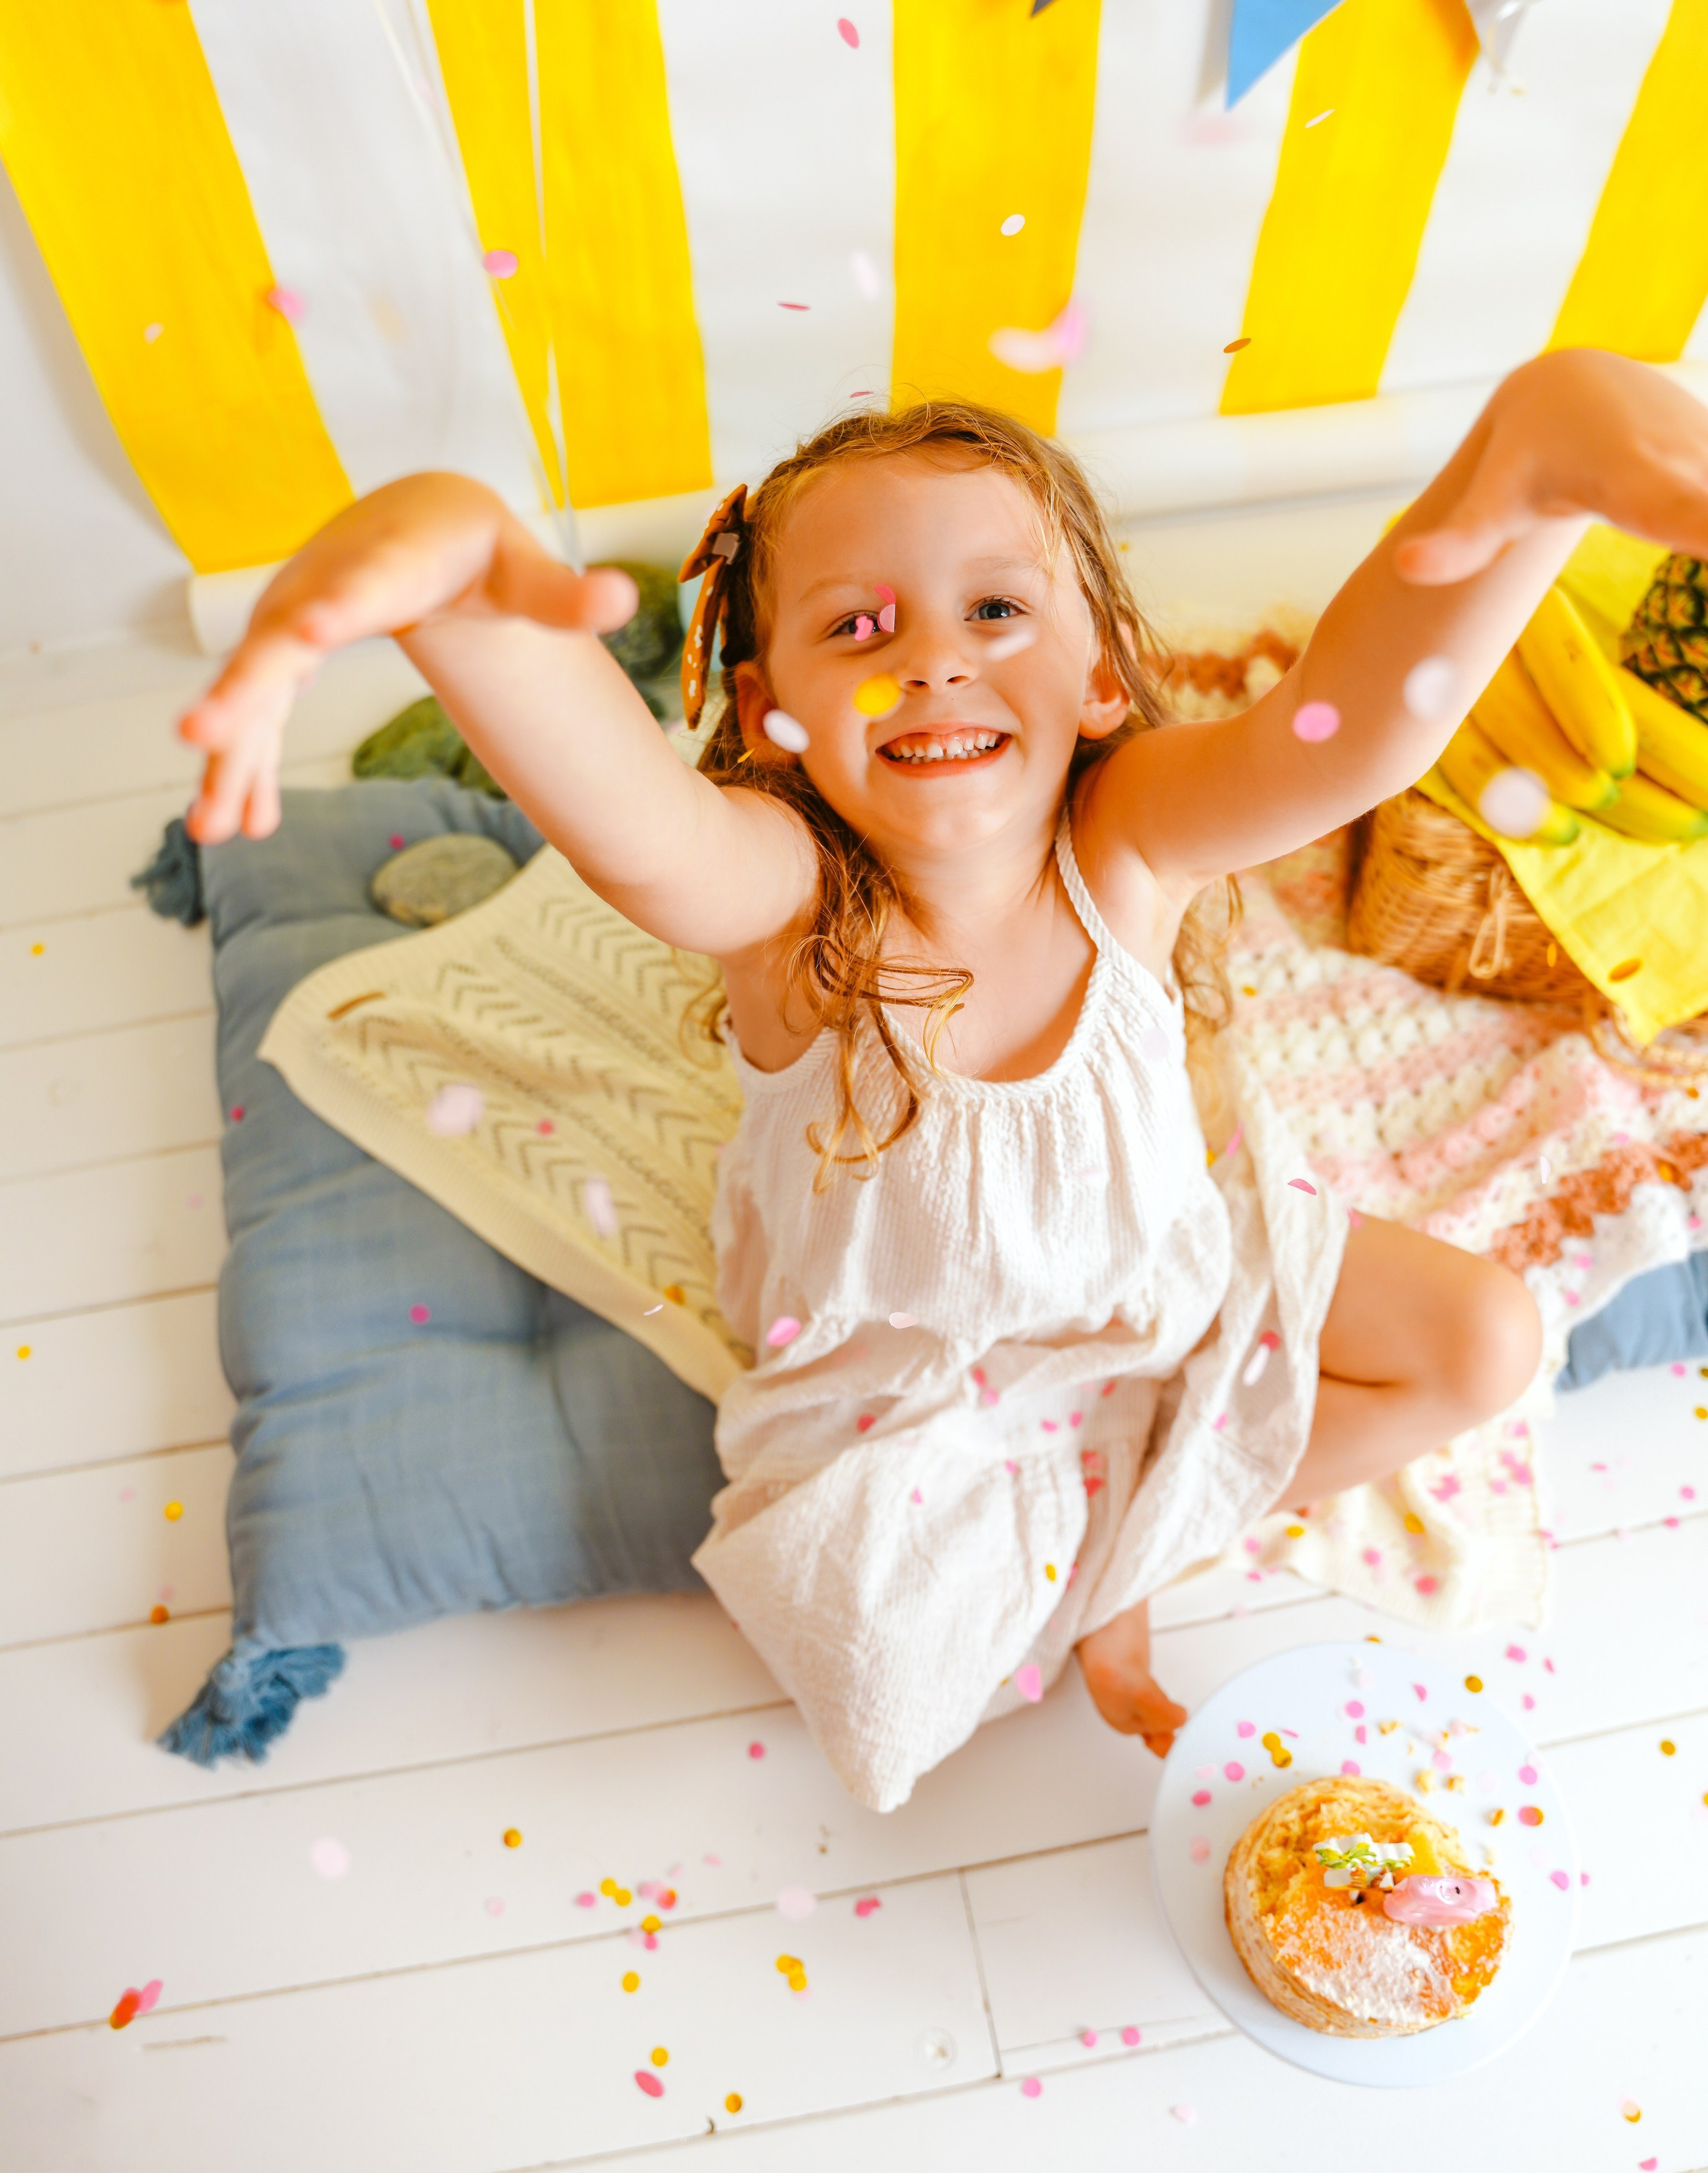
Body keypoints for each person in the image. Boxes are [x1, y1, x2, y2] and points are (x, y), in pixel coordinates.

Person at [180, 351, 1708, 1811]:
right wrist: (456, 575)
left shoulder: (1129, 840)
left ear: (1098, 674)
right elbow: (630, 823)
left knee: (1484, 1340)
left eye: (993, 607)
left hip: (1149, 1282)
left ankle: (1139, 1551)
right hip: (904, 1373)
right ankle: (1112, 1556)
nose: (931, 659)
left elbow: (1344, 735)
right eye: (857, 626)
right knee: (876, 1662)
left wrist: (1522, 481)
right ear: (769, 714)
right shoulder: (782, 903)